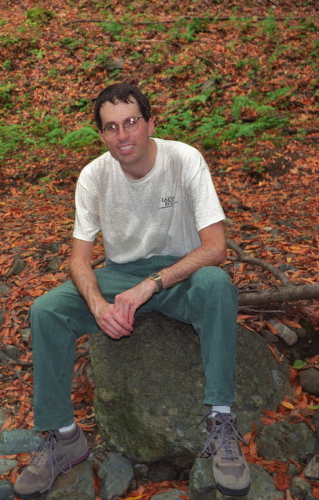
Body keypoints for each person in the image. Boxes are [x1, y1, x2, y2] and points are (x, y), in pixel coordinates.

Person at [14, 83, 250, 498]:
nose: (123, 135)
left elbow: (216, 248)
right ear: (102, 135)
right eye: (111, 128)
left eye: (131, 122)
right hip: (120, 275)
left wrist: (152, 285)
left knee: (217, 286)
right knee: (46, 311)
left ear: (149, 123)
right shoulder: (94, 176)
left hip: (181, 274)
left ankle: (221, 422)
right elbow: (78, 259)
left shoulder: (183, 159)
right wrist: (98, 305)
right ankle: (63, 436)